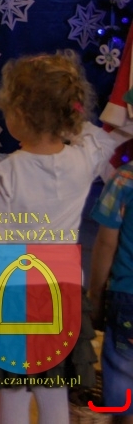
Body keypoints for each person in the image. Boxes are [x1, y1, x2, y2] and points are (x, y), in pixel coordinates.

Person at [0, 52, 121, 424]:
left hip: (13, 293)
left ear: (19, 114)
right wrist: (68, 118)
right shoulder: (84, 160)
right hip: (62, 289)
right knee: (54, 387)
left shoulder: (5, 174)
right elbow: (100, 136)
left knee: (14, 390)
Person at [90, 159, 133, 423]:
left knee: (123, 375)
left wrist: (95, 295)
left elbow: (106, 243)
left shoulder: (125, 178)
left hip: (127, 296)